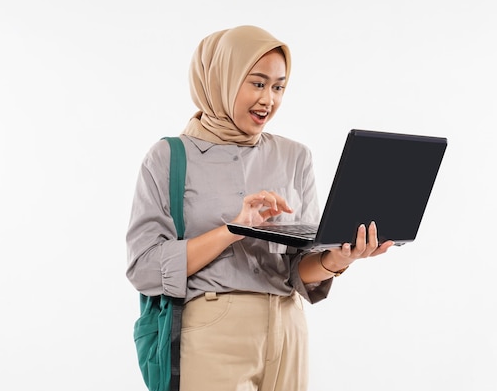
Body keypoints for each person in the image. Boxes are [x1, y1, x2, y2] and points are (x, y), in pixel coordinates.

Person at [126, 25, 395, 391]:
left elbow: (299, 270)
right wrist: (233, 229)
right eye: (257, 83)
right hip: (213, 330)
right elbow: (143, 268)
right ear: (221, 78)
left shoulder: (294, 156)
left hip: (288, 328)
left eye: (279, 86)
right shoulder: (169, 158)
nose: (269, 99)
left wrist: (339, 258)